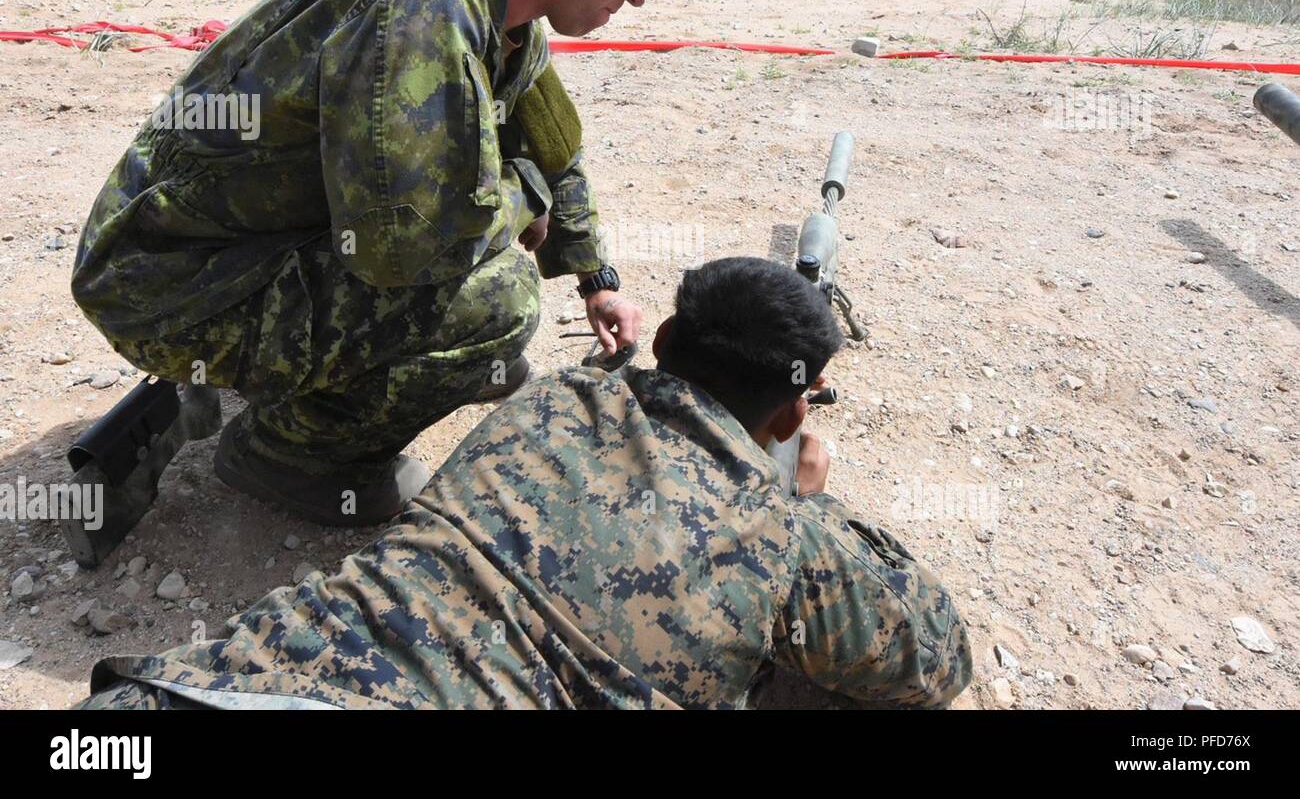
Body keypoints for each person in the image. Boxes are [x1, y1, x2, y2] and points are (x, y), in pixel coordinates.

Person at [69, 0, 719, 526]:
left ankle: (314, 382)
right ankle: (288, 458)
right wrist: (517, 203)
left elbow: (550, 148)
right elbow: (408, 250)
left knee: (482, 304)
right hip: (164, 281)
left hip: (219, 249)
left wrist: (596, 278)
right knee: (498, 303)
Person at [75, 257, 972, 710]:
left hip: (212, 692)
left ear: (662, 345)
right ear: (791, 414)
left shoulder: (551, 405)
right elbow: (937, 659)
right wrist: (805, 500)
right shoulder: (781, 541)